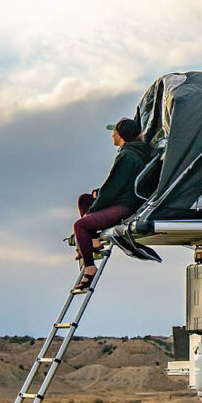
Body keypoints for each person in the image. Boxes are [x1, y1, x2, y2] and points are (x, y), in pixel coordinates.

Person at [73, 118, 153, 289]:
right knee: (84, 199)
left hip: (124, 206)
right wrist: (98, 194)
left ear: (120, 134)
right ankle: (93, 241)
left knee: (80, 225)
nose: (112, 136)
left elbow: (113, 188)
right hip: (124, 199)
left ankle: (89, 267)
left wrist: (92, 211)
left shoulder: (127, 155)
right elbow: (117, 185)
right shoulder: (135, 152)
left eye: (114, 132)